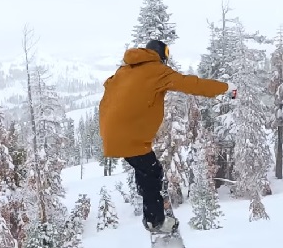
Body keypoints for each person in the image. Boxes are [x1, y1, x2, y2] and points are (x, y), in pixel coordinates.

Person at [98, 39, 236, 234]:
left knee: (144, 166)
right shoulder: (157, 70)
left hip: (112, 132)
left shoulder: (125, 70)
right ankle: (156, 221)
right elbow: (192, 84)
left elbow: (109, 87)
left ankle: (148, 201)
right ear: (161, 54)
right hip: (129, 136)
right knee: (153, 173)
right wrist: (226, 88)